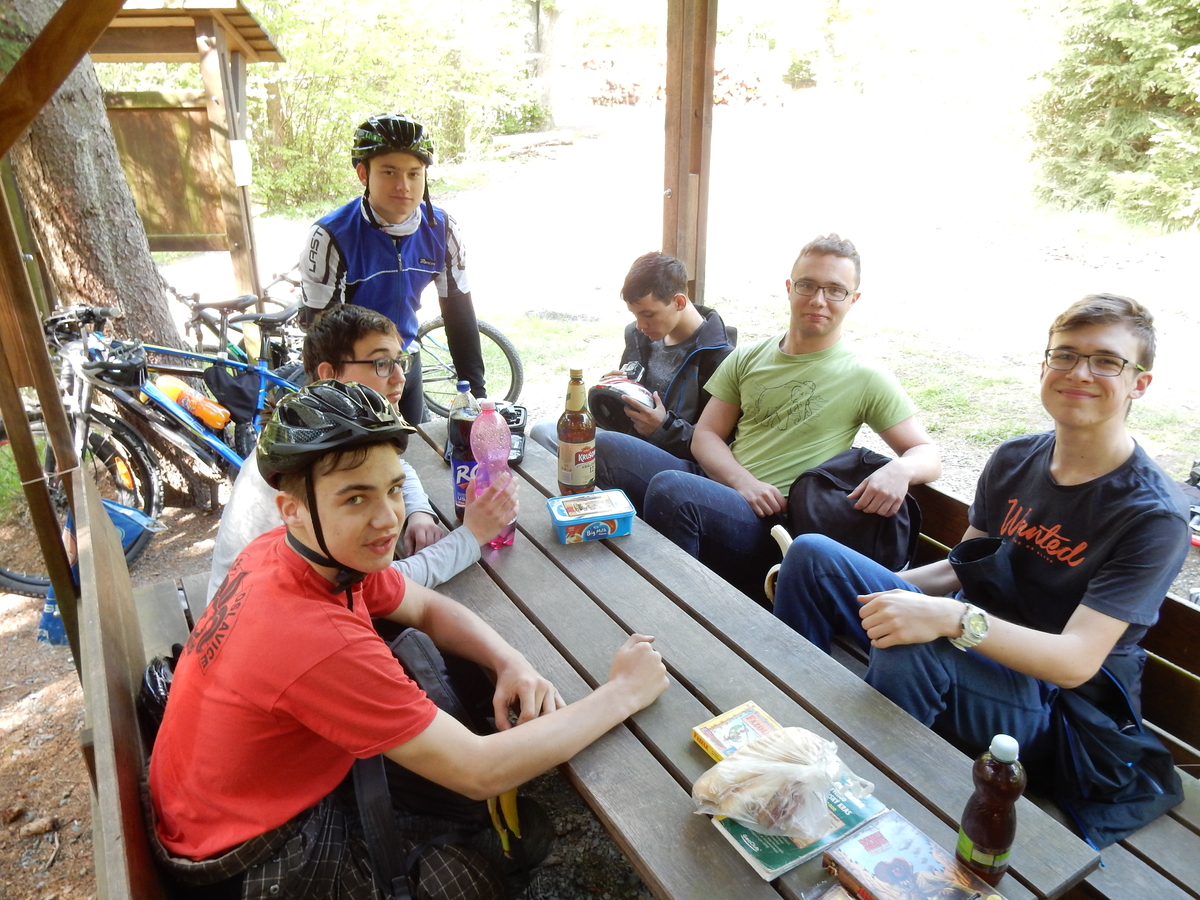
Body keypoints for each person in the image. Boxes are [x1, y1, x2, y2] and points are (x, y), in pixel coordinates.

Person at [149, 381, 669, 896]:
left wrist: (511, 662)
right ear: (292, 510)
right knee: (488, 859)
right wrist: (623, 692)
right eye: (355, 498)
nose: (387, 519)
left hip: (214, 803)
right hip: (247, 857)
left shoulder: (287, 551)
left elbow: (423, 606)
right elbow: (480, 770)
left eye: (394, 489)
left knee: (443, 729)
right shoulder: (317, 638)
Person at [772, 294, 1190, 843]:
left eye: (1107, 361)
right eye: (1065, 355)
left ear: (1139, 383)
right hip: (974, 649)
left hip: (1052, 707)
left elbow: (1075, 662)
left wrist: (949, 620)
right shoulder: (1016, 458)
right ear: (1044, 366)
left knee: (915, 644)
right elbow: (958, 571)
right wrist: (864, 593)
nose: (1080, 372)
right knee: (812, 555)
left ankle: (861, 812)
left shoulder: (1151, 514)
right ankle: (790, 738)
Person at [596, 234, 940, 596]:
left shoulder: (864, 376)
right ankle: (605, 579)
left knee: (673, 491)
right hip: (724, 485)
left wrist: (900, 470)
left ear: (852, 300)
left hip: (771, 522)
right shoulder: (749, 357)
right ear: (790, 288)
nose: (818, 299)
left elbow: (926, 453)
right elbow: (706, 435)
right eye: (807, 285)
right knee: (606, 449)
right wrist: (742, 482)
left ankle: (674, 611)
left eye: (835, 290)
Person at [205, 304, 513, 603]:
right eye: (382, 363)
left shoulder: (317, 428)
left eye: (400, 361)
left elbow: (398, 467)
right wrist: (472, 534)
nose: (399, 378)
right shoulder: (311, 457)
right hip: (273, 618)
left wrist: (419, 513)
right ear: (329, 374)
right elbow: (386, 585)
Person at [299, 112, 484, 425]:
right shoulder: (331, 236)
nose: (403, 186)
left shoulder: (443, 229)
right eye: (389, 172)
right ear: (363, 173)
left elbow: (459, 313)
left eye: (414, 174)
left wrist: (477, 396)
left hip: (405, 360)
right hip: (358, 371)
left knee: (419, 446)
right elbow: (321, 337)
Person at [529, 251, 735, 460]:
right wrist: (611, 391)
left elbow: (722, 444)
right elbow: (623, 415)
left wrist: (663, 428)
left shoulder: (721, 359)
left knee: (599, 449)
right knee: (543, 431)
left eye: (648, 314)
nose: (640, 325)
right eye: (635, 314)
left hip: (669, 459)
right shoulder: (638, 336)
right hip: (623, 439)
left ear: (679, 302)